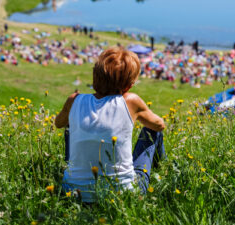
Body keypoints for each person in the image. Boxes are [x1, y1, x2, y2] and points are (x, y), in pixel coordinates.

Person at [55, 47, 166, 203]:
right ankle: (164, 169)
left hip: (73, 193)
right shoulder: (131, 101)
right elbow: (160, 125)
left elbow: (58, 123)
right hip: (123, 195)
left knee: (70, 125)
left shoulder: (74, 100)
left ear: (95, 76)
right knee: (153, 130)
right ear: (129, 85)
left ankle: (76, 171)